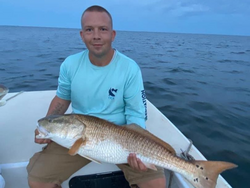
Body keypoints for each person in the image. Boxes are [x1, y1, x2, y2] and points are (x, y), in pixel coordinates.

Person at [27, 5, 166, 188]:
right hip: (78, 136)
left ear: (113, 34)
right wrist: (46, 127)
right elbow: (61, 99)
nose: (96, 36)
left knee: (156, 183)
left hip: (122, 136)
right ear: (82, 35)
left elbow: (136, 114)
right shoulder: (70, 64)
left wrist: (136, 150)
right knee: (38, 179)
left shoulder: (129, 68)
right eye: (89, 30)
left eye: (103, 29)